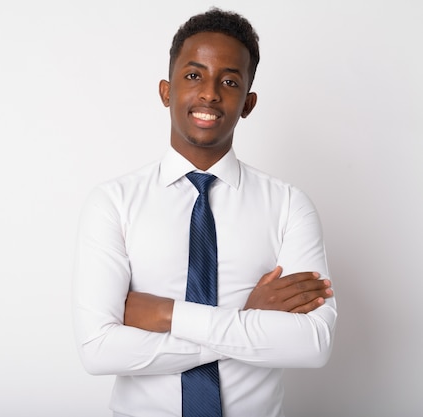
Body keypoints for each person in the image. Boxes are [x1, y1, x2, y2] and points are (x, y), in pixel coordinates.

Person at [72, 7, 337, 417]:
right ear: (166, 91)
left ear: (248, 103)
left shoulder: (289, 205)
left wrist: (166, 313)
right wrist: (247, 322)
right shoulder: (113, 202)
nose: (210, 93)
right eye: (194, 75)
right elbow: (99, 350)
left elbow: (312, 345)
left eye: (229, 81)